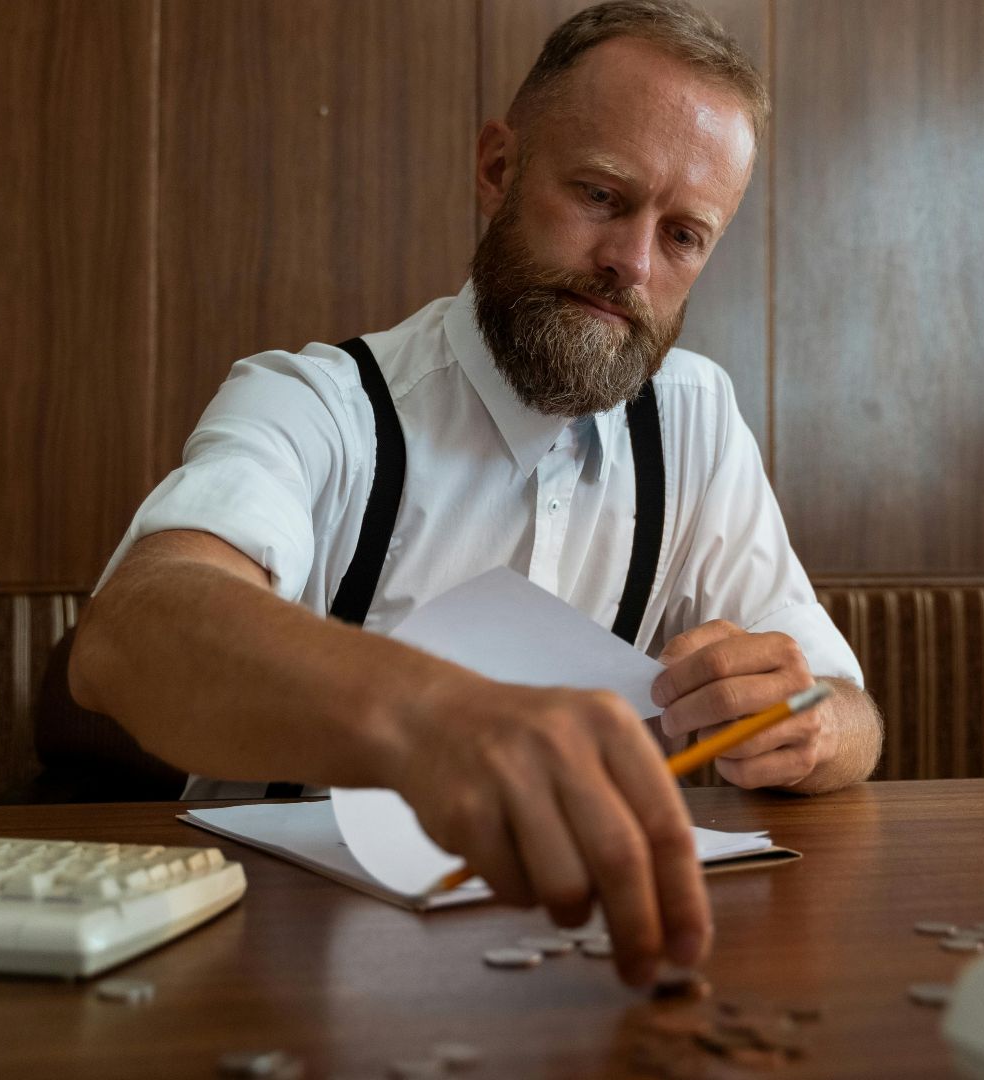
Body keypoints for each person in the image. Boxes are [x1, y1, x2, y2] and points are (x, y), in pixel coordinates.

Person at [70, 0, 882, 987]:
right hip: (272, 973)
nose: (631, 262)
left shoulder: (695, 417)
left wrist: (807, 724)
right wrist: (434, 720)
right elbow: (131, 635)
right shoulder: (317, 403)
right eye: (599, 195)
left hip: (577, 976)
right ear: (498, 167)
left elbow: (848, 712)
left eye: (683, 236)